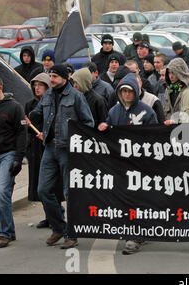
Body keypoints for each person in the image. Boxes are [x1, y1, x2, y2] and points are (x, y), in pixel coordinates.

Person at [29, 64, 94, 249]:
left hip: (68, 150)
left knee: (69, 192)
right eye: (51, 76)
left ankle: (71, 235)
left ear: (64, 78)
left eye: (55, 76)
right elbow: (39, 113)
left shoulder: (76, 97)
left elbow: (88, 122)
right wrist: (32, 117)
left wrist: (78, 143)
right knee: (43, 190)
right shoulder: (48, 95)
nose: (51, 79)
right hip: (49, 148)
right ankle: (58, 227)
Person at [98, 73, 158, 255]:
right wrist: (104, 128)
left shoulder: (147, 112)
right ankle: (131, 229)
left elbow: (156, 135)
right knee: (124, 199)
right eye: (123, 91)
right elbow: (108, 131)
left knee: (139, 199)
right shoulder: (114, 111)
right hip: (120, 164)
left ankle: (138, 234)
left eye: (130, 91)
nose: (126, 95)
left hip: (141, 164)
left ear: (136, 92)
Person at [25, 73, 64, 229]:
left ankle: (58, 214)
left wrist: (46, 134)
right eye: (35, 85)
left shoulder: (54, 102)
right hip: (36, 149)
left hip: (51, 146)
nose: (37, 88)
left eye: (40, 85)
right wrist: (28, 125)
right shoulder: (29, 104)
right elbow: (27, 126)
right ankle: (49, 216)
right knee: (41, 185)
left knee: (54, 184)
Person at [0, 77, 27, 248]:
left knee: (2, 192)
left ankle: (6, 232)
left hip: (8, 154)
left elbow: (22, 133)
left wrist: (18, 158)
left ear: (0, 87)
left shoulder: (14, 107)